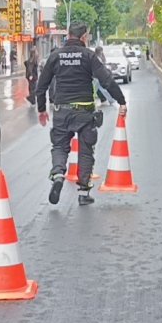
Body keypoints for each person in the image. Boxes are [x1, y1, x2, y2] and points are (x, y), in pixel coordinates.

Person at [36, 22, 127, 206]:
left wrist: (41, 109)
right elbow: (107, 80)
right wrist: (121, 101)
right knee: (86, 151)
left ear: (68, 34)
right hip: (85, 112)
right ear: (84, 36)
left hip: (62, 110)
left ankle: (58, 174)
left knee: (59, 146)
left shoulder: (55, 56)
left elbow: (41, 85)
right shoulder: (88, 56)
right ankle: (84, 193)